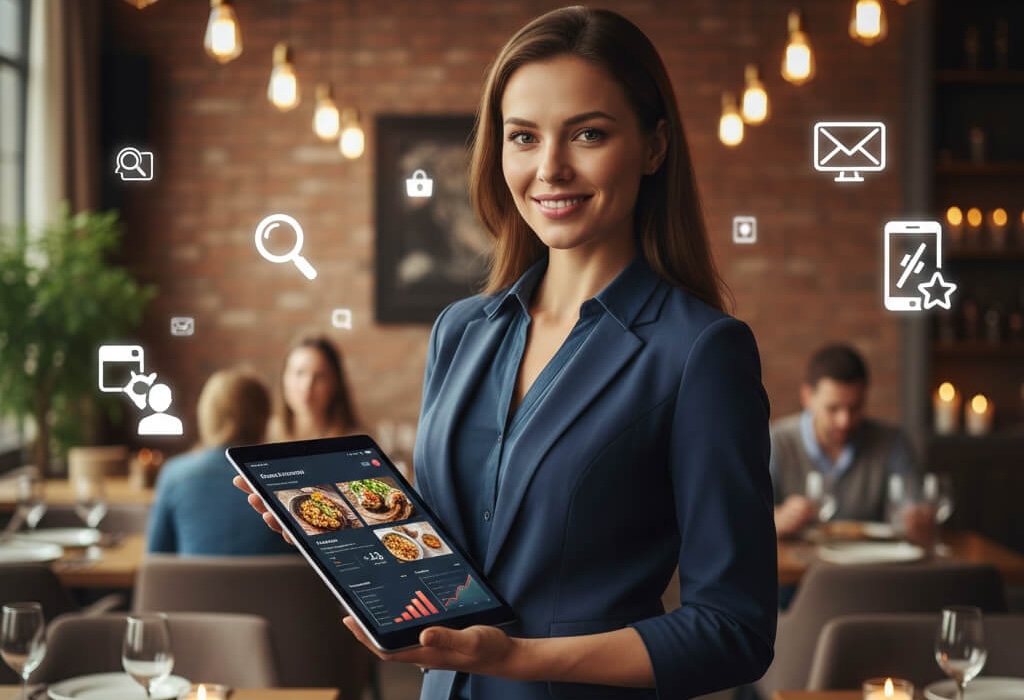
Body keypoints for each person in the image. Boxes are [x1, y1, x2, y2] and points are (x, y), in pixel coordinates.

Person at [236, 6, 777, 699]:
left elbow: (734, 629)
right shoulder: (460, 330)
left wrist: (519, 658)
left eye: (588, 133)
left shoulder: (701, 351)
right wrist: (338, 535)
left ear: (653, 147)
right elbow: (447, 565)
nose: (550, 168)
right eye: (523, 137)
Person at [770, 343, 920, 538]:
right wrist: (776, 518)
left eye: (855, 408)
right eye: (833, 409)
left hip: (870, 565)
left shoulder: (892, 442)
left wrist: (915, 519)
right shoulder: (777, 441)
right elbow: (747, 515)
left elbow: (910, 508)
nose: (845, 421)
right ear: (807, 397)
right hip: (798, 565)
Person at [147, 367, 295, 555]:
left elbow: (156, 559)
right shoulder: (289, 479)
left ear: (207, 415)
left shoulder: (174, 475)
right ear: (264, 418)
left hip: (195, 585)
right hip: (280, 585)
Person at [266, 333, 361, 442]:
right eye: (299, 373)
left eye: (320, 376)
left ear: (335, 383)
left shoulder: (356, 441)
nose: (307, 386)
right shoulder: (265, 435)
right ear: (284, 377)